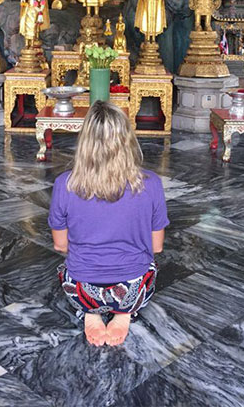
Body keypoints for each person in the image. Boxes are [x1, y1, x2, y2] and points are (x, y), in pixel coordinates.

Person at [48, 100, 169, 346]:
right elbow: (156, 247)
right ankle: (124, 312)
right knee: (149, 267)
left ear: (84, 143)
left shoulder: (65, 184)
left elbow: (60, 245)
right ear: (127, 141)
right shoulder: (152, 183)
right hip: (134, 289)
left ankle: (90, 311)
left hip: (81, 289)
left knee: (66, 269)